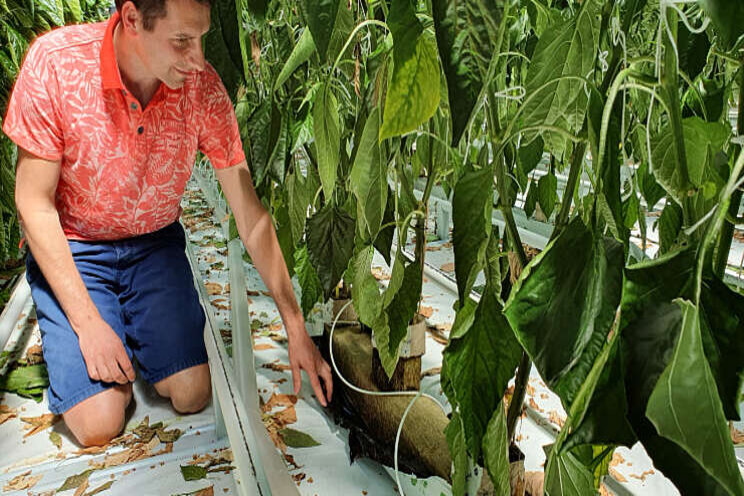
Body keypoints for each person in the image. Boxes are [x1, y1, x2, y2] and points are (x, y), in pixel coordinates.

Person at [2, 0, 332, 447]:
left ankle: (132, 330)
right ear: (133, 18)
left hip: (154, 245)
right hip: (76, 245)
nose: (198, 60)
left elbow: (250, 215)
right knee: (98, 423)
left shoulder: (202, 89)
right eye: (181, 42)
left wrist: (294, 323)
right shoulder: (57, 65)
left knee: (192, 392)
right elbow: (33, 203)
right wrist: (88, 325)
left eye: (201, 38)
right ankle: (90, 321)